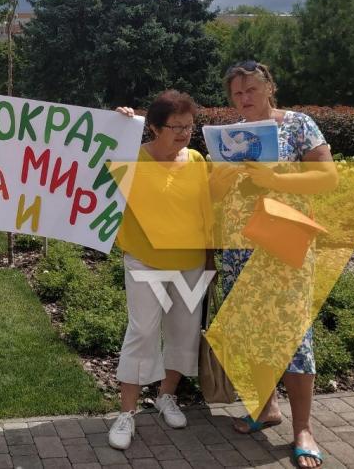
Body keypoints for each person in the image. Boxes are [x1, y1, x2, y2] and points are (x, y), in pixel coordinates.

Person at [211, 60, 337, 469]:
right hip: (238, 247)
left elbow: (328, 178)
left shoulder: (298, 125)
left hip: (283, 245)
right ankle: (266, 408)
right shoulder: (230, 135)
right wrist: (219, 181)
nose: (244, 98)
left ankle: (304, 429)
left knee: (292, 334)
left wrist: (277, 180)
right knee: (250, 330)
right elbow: (215, 193)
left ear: (269, 88)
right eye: (237, 93)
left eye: (251, 89)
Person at [108, 91, 213, 450]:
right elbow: (88, 163)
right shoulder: (130, 158)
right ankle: (127, 412)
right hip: (144, 260)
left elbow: (206, 213)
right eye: (176, 127)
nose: (184, 134)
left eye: (189, 126)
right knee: (142, 332)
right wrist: (116, 125)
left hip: (190, 262)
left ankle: (167, 395)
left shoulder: (196, 160)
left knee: (184, 332)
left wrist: (210, 260)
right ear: (153, 127)